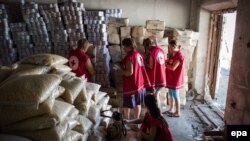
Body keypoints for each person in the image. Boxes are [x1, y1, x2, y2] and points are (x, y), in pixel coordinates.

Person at [121, 38, 150, 120]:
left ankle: (127, 120)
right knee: (138, 103)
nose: (123, 49)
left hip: (132, 85)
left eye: (124, 47)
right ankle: (136, 120)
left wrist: (120, 71)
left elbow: (129, 72)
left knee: (127, 105)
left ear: (129, 46)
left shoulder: (130, 57)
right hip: (140, 83)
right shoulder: (138, 54)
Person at [163, 40, 184, 117]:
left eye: (170, 48)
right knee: (171, 94)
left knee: (175, 95)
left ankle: (178, 112)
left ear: (174, 46)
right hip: (171, 78)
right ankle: (171, 108)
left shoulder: (179, 55)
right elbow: (170, 62)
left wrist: (165, 65)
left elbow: (173, 68)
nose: (169, 49)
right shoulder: (173, 54)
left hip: (176, 78)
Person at [143, 37, 166, 106]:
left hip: (154, 78)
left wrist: (144, 63)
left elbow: (150, 66)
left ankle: (153, 114)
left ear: (148, 46)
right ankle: (158, 113)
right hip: (161, 77)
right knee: (157, 96)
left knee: (151, 97)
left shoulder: (152, 53)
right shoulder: (161, 50)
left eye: (146, 47)